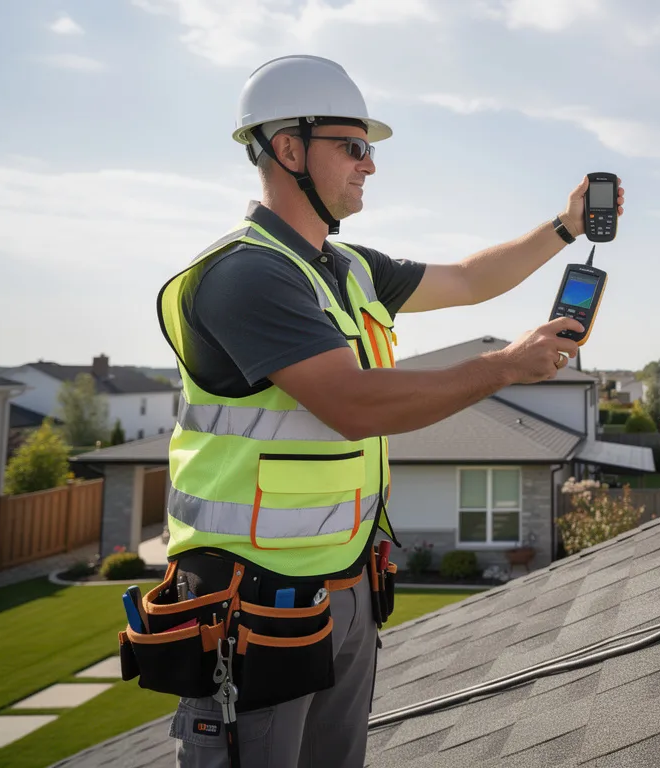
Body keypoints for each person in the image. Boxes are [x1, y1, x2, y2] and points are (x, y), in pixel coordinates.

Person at [147, 54, 625, 767]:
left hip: (345, 587)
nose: (371, 165)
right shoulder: (246, 276)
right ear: (288, 149)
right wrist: (504, 367)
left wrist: (562, 226)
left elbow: (468, 279)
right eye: (355, 146)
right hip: (252, 601)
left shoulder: (348, 267)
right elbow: (351, 403)